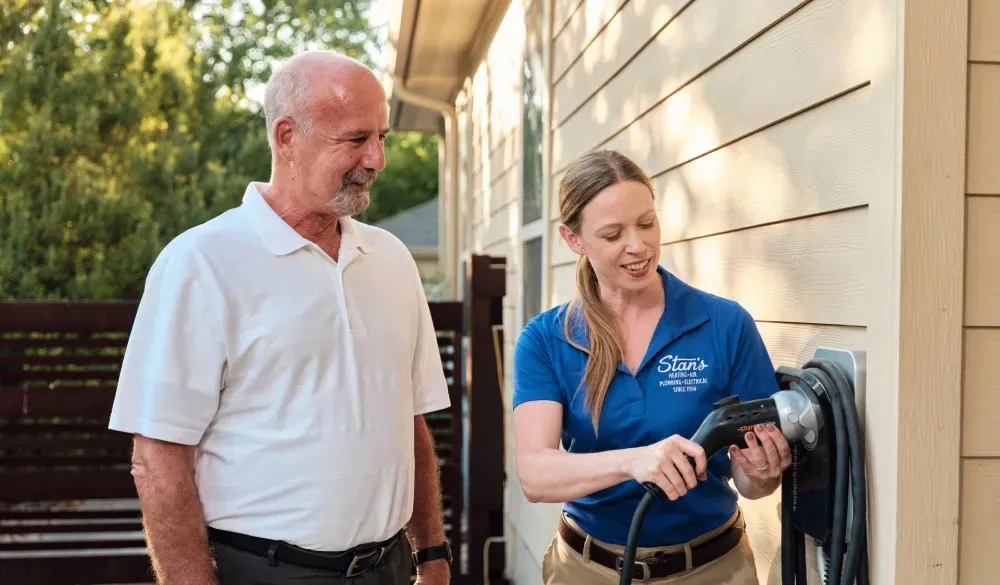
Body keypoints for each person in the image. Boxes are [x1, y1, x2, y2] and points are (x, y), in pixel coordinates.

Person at [108, 50, 454, 585]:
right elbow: (157, 457)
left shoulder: (391, 259)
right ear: (287, 137)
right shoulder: (200, 262)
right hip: (266, 571)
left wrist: (431, 554)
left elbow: (408, 421)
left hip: (390, 569)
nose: (377, 159)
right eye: (357, 139)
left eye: (382, 137)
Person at [511, 149, 792, 585]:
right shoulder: (548, 339)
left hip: (712, 569)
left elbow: (751, 481)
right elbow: (535, 473)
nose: (638, 246)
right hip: (586, 569)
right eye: (612, 234)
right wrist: (635, 461)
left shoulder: (724, 325)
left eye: (646, 223)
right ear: (574, 240)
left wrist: (762, 473)